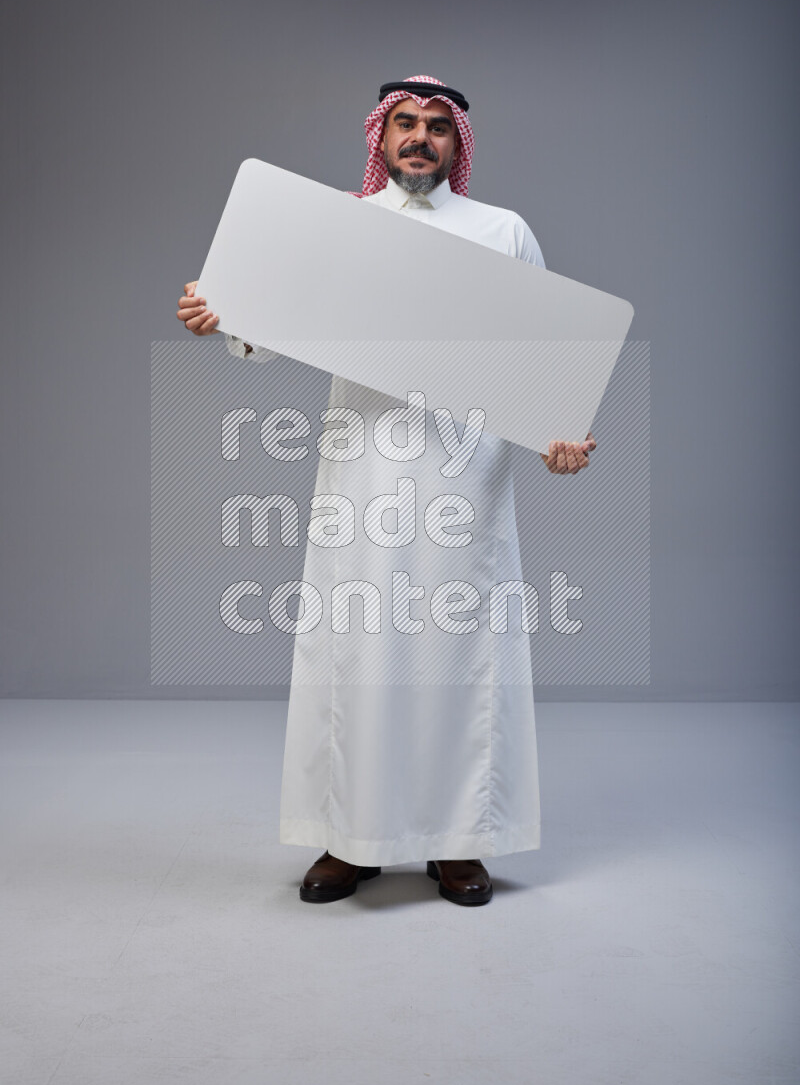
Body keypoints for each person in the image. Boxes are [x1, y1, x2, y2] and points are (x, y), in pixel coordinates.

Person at [177, 75, 596, 907]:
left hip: (464, 473)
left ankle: (458, 841)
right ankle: (351, 837)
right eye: (405, 122)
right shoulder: (344, 224)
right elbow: (268, 326)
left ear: (457, 142)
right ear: (381, 134)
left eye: (437, 127)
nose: (419, 138)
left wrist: (563, 433)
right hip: (363, 462)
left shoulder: (502, 230)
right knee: (358, 648)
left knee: (457, 649)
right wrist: (222, 316)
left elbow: (548, 359)